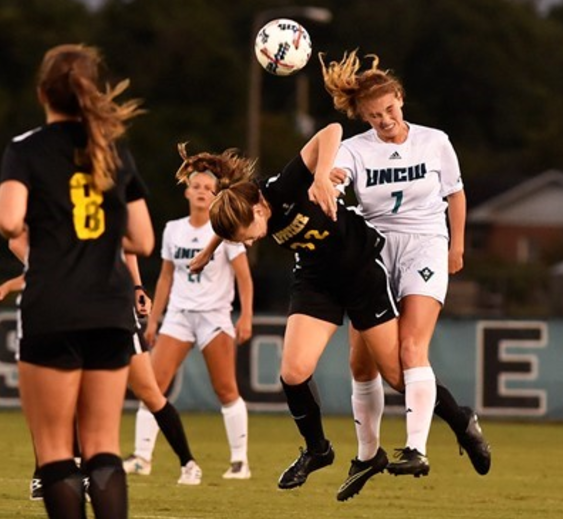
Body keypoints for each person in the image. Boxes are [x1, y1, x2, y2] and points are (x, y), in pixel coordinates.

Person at [186, 123, 406, 492]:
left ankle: (458, 422)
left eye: (247, 235)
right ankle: (317, 450)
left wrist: (321, 175)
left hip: (358, 266)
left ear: (257, 208)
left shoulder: (283, 188)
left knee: (399, 375)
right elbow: (230, 224)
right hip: (317, 279)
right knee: (292, 373)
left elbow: (331, 130)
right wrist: (208, 252)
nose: (252, 243)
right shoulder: (243, 205)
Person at [319, 50, 491, 499]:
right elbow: (336, 180)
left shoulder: (435, 141)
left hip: (425, 245)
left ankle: (416, 449)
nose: (385, 120)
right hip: (373, 252)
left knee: (412, 346)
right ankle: (368, 453)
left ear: (400, 98)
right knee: (362, 361)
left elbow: (455, 194)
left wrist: (457, 244)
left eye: (390, 110)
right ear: (364, 117)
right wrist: (331, 178)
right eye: (375, 116)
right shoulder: (354, 149)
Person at [0, 43, 154, 519]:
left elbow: (9, 222)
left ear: (43, 91)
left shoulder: (26, 149)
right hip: (109, 309)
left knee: (54, 452)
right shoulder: (113, 150)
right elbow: (143, 240)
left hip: (53, 307)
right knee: (103, 446)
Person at [123, 152, 254, 480]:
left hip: (214, 316)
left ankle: (240, 462)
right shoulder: (173, 230)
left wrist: (246, 316)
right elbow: (166, 277)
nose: (199, 190)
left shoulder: (224, 227)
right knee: (153, 384)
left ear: (215, 193)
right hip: (179, 314)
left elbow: (244, 277)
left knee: (226, 389)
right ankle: (142, 457)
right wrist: (153, 320)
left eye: (206, 187)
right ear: (186, 191)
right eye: (194, 185)